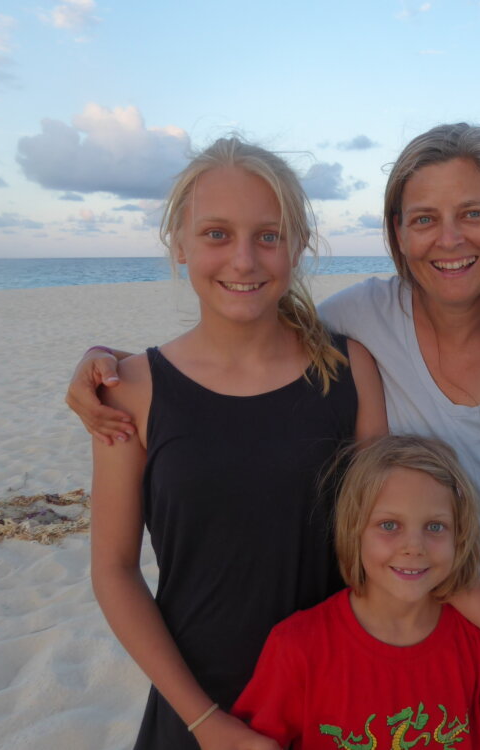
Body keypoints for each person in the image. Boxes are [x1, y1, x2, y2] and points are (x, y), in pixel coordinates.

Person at [70, 124, 480, 736]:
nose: (449, 238)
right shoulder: (358, 325)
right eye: (425, 218)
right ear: (398, 231)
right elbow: (246, 336)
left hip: (461, 648)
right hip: (273, 673)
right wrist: (115, 365)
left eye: (473, 213)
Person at [89, 136, 387, 750]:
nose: (244, 260)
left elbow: (380, 546)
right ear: (179, 244)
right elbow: (114, 570)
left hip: (332, 701)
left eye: (268, 236)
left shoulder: (349, 371)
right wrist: (205, 721)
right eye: (217, 234)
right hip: (195, 707)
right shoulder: (131, 390)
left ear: (298, 246)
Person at [232, 435, 480, 750]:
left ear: (460, 537)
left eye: (435, 527)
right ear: (353, 530)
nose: (414, 546)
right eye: (389, 525)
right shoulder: (297, 646)